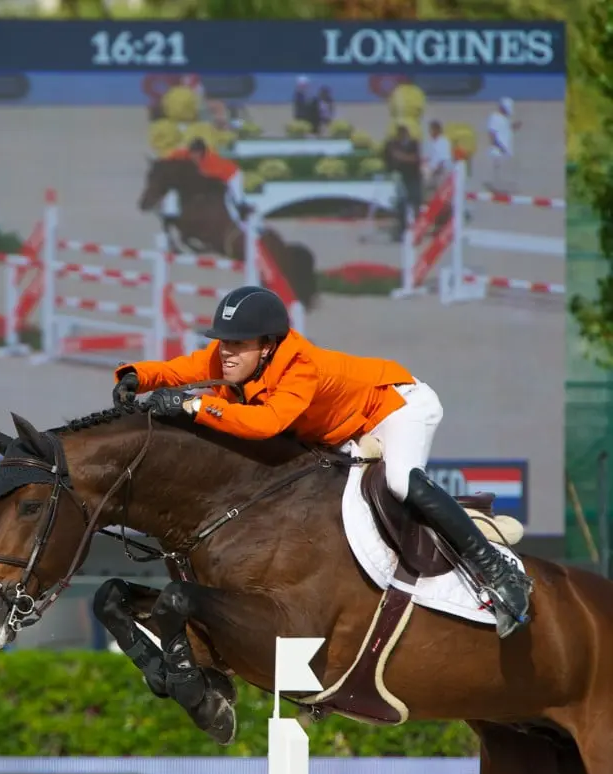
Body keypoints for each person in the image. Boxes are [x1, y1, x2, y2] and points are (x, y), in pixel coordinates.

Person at [112, 285, 533, 639]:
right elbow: (180, 369)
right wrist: (136, 374)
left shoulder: (301, 368)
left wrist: (194, 407)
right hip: (345, 429)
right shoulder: (233, 356)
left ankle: (498, 573)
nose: (226, 353)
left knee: (402, 482)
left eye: (238, 344)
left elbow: (266, 423)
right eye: (224, 342)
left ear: (268, 346)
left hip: (396, 407)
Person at [161, 137, 249, 238]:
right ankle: (169, 214)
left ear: (203, 153)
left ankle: (242, 224)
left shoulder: (212, 161)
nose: (194, 157)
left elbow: (212, 183)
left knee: (233, 200)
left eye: (197, 155)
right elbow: (166, 162)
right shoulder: (181, 154)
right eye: (192, 154)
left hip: (231, 176)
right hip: (213, 177)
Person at [384, 124, 423, 242]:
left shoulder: (413, 144)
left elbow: (416, 158)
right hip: (400, 178)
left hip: (413, 177)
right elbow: (388, 158)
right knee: (401, 205)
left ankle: (418, 230)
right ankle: (402, 231)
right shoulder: (393, 145)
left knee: (415, 203)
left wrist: (401, 157)